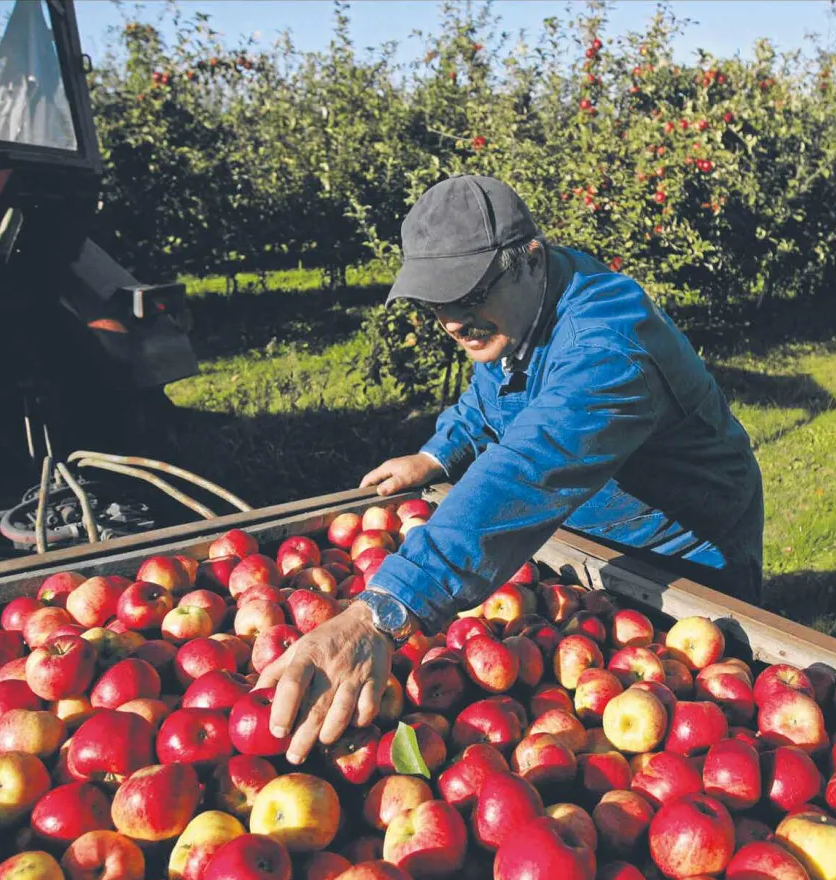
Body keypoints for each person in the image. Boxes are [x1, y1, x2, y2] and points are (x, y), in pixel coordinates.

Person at [255, 174, 763, 764]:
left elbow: (526, 472)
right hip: (580, 541)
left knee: (709, 717)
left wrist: (383, 610)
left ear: (529, 259)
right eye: (435, 302)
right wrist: (437, 454)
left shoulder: (607, 349)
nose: (449, 320)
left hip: (679, 547)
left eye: (466, 295)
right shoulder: (519, 310)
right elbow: (494, 394)